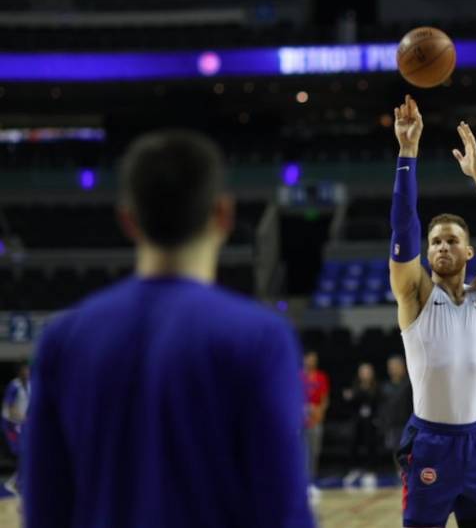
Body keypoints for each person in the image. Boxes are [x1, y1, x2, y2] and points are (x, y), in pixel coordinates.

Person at [22, 130, 313, 528]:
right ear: (223, 214)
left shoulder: (63, 339)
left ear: (128, 219)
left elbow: (43, 511)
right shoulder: (261, 338)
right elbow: (283, 511)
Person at [389, 95, 476, 528]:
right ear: (427, 253)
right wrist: (408, 152)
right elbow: (404, 227)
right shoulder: (414, 294)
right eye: (435, 242)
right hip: (430, 442)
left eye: (452, 240)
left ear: (469, 251)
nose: (442, 246)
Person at [343, 362, 380, 478]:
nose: (365, 374)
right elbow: (350, 401)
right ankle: (354, 469)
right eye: (363, 372)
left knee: (370, 443)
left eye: (368, 372)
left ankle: (370, 469)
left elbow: (378, 403)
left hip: (371, 420)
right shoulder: (355, 386)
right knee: (353, 442)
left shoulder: (376, 387)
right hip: (357, 420)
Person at [378, 355, 413, 468]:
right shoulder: (385, 387)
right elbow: (383, 407)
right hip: (393, 425)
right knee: (396, 451)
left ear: (403, 367)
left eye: (396, 366)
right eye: (391, 367)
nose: (393, 369)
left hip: (409, 424)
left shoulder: (410, 384)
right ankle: (400, 473)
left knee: (411, 451)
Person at [304, 349, 330, 498]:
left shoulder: (321, 377)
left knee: (315, 452)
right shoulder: (299, 376)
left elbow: (325, 399)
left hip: (317, 420)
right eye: (309, 359)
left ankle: (312, 482)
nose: (311, 361)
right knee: (303, 452)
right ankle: (303, 482)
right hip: (302, 421)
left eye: (314, 359)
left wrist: (319, 411)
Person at [2, 361, 29, 493]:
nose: (27, 373)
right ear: (19, 372)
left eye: (28, 370)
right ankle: (14, 482)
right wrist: (22, 417)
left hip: (22, 423)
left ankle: (16, 481)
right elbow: (10, 407)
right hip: (11, 424)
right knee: (21, 451)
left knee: (27, 452)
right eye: (24, 370)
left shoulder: (31, 385)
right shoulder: (14, 385)